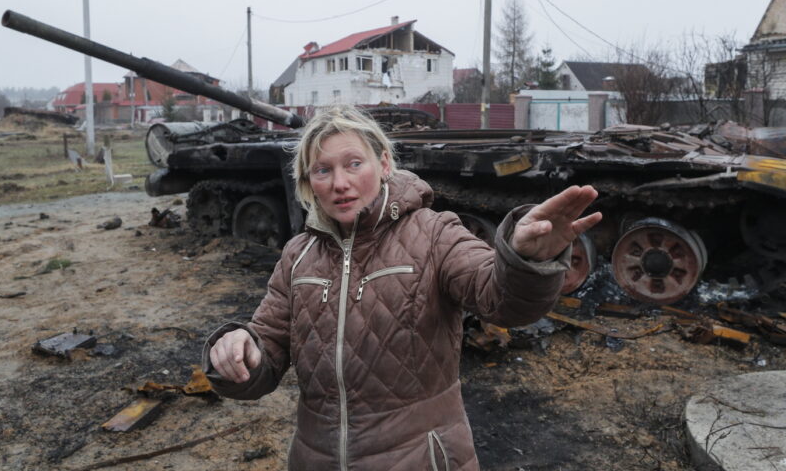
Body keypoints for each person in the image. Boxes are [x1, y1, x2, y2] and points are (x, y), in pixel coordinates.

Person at [203, 104, 602, 470]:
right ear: (309, 182)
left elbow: (501, 299)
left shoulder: (433, 234)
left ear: (384, 163)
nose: (340, 182)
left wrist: (525, 261)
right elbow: (268, 347)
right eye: (322, 170)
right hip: (316, 457)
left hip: (420, 457)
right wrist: (241, 352)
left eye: (353, 163)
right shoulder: (298, 254)